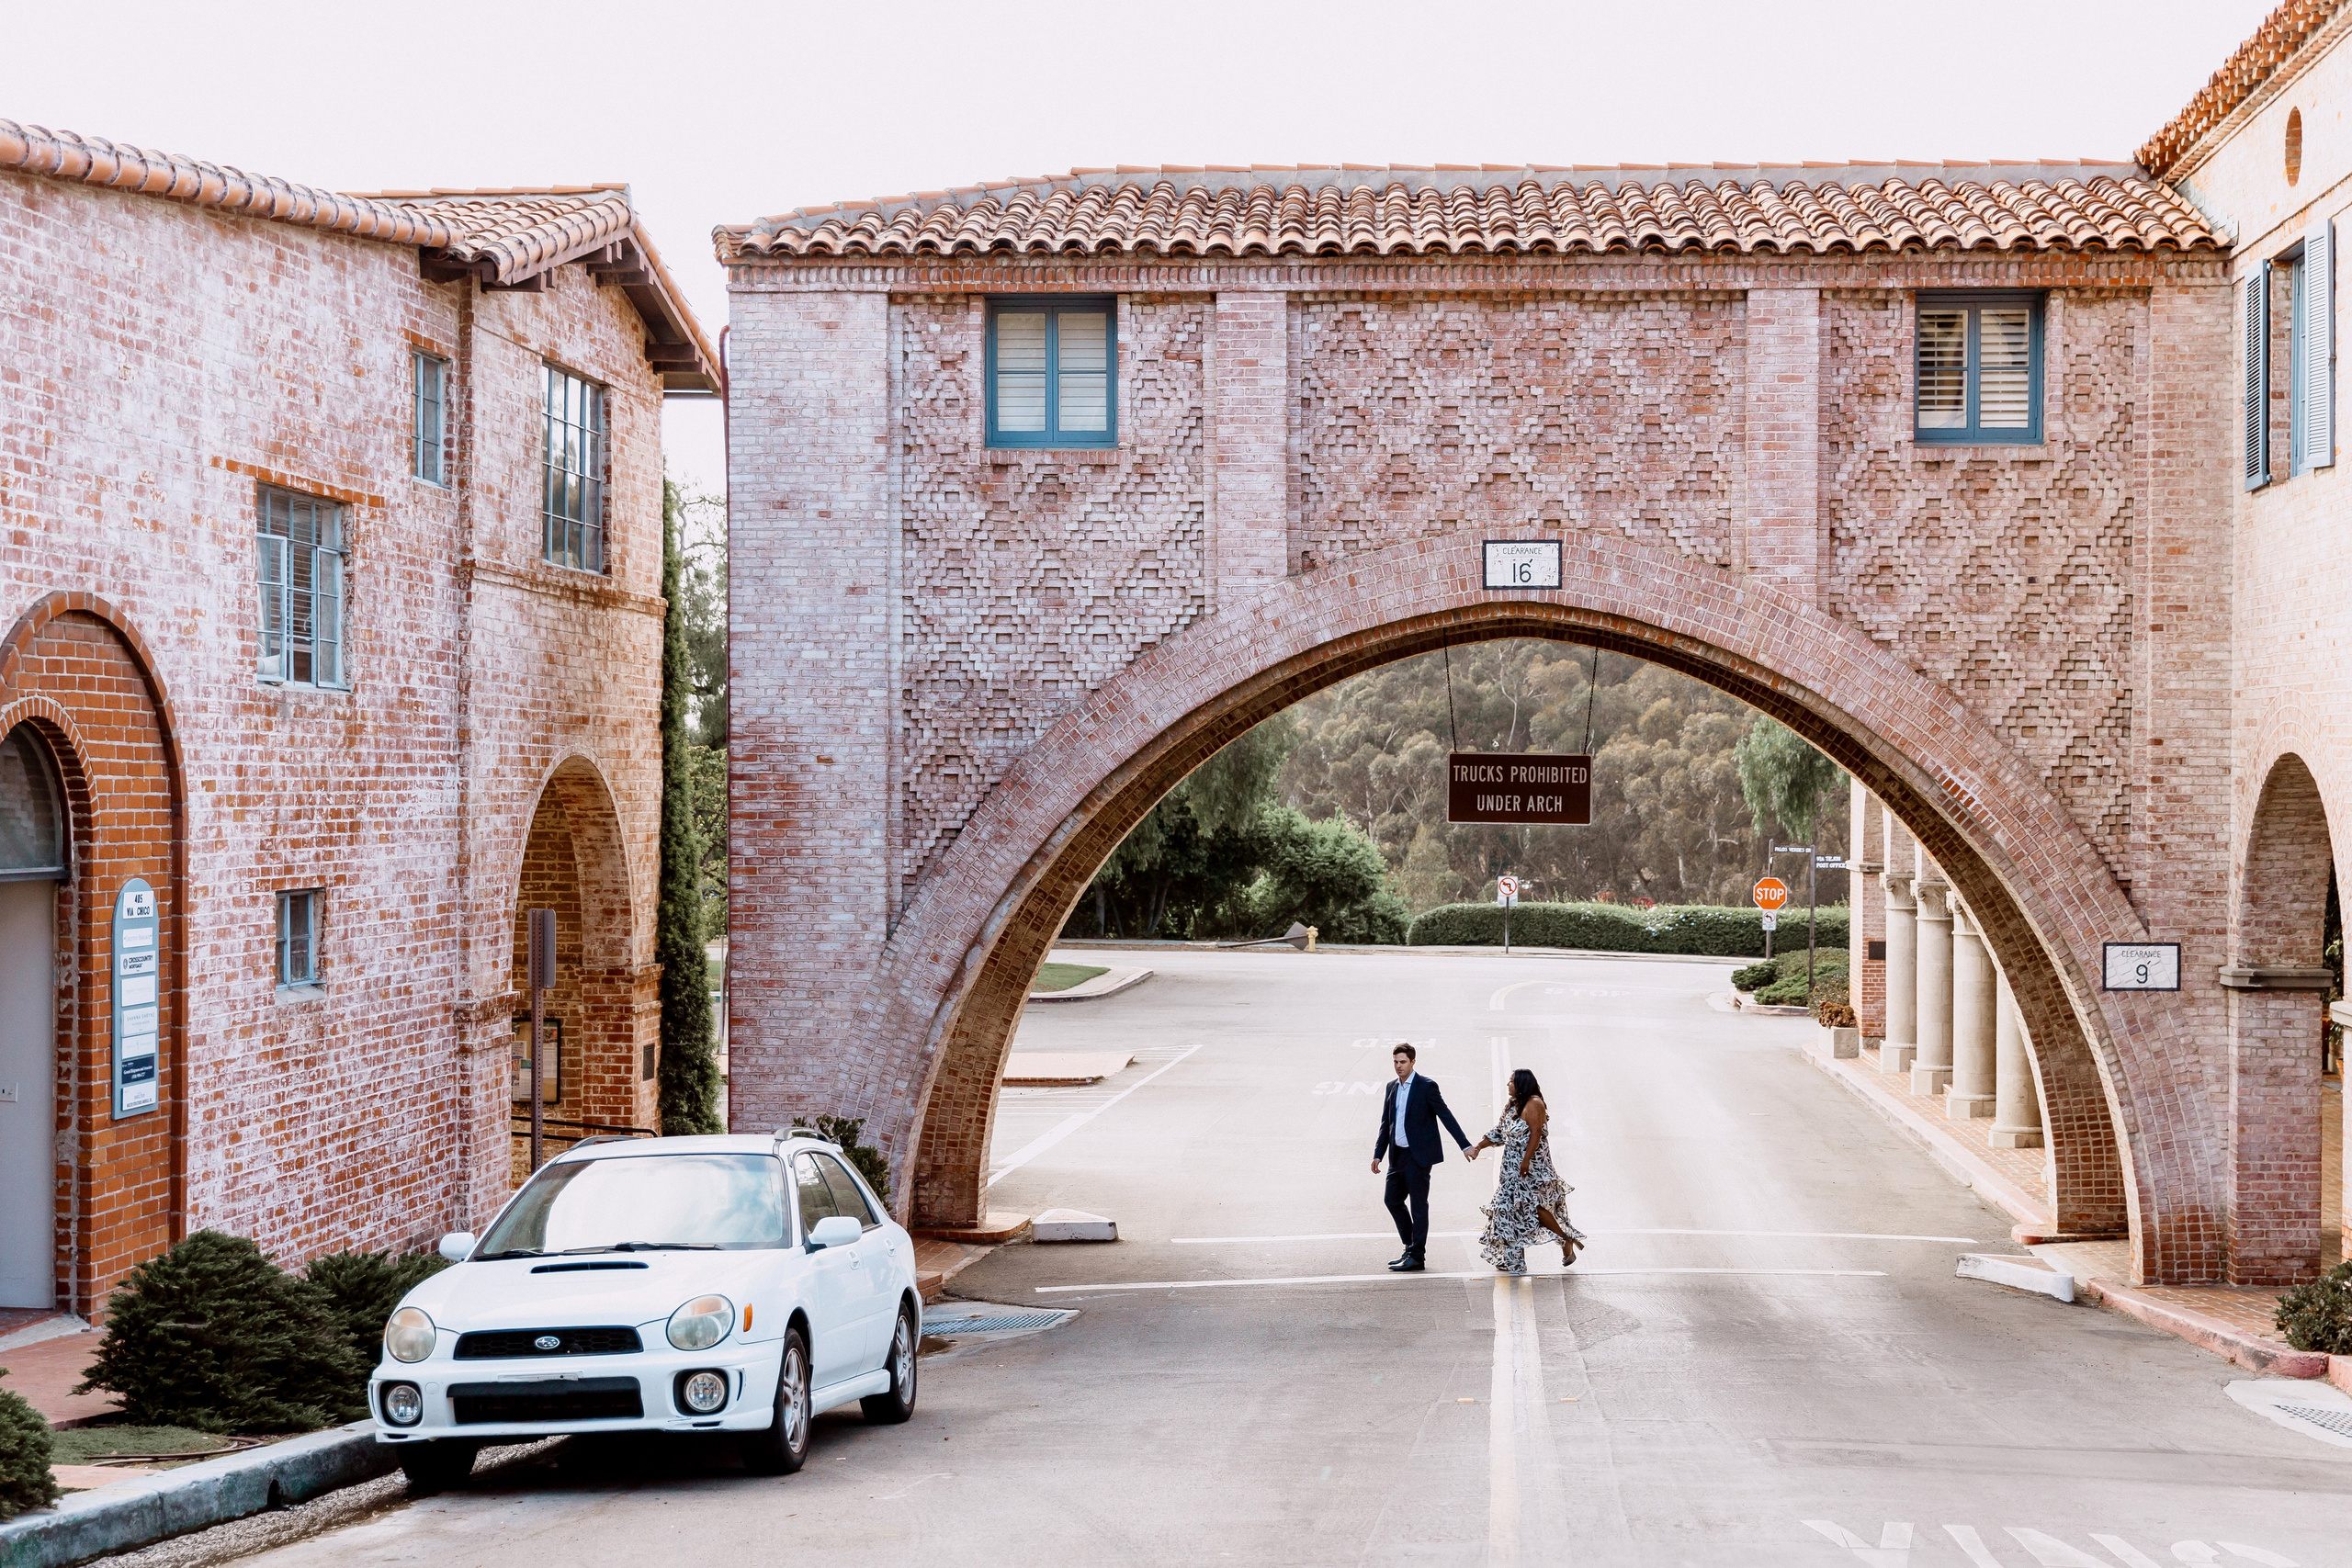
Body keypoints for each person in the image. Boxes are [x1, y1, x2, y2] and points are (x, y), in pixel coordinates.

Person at [1467, 1067, 1583, 1274]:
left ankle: (1566, 1239)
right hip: (1510, 1168)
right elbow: (1500, 1132)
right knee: (1510, 1210)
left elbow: (1536, 1134)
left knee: (1532, 1208)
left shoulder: (1534, 1104)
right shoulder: (1513, 1105)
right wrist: (1478, 1147)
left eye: (1511, 1081)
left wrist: (1526, 1160)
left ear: (1521, 1083)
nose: (1508, 1085)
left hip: (1530, 1167)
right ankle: (1513, 1259)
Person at [1370, 1043, 1472, 1272]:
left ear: (1413, 1062)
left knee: (1418, 1206)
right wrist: (1378, 1153)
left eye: (1403, 1062)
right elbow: (1386, 1124)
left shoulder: (1426, 1086)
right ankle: (1410, 1245)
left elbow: (1446, 1115)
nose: (1399, 1066)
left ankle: (1417, 1256)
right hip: (1397, 1156)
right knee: (1392, 1200)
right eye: (1395, 1062)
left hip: (1418, 1158)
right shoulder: (1391, 1087)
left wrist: (1464, 1145)